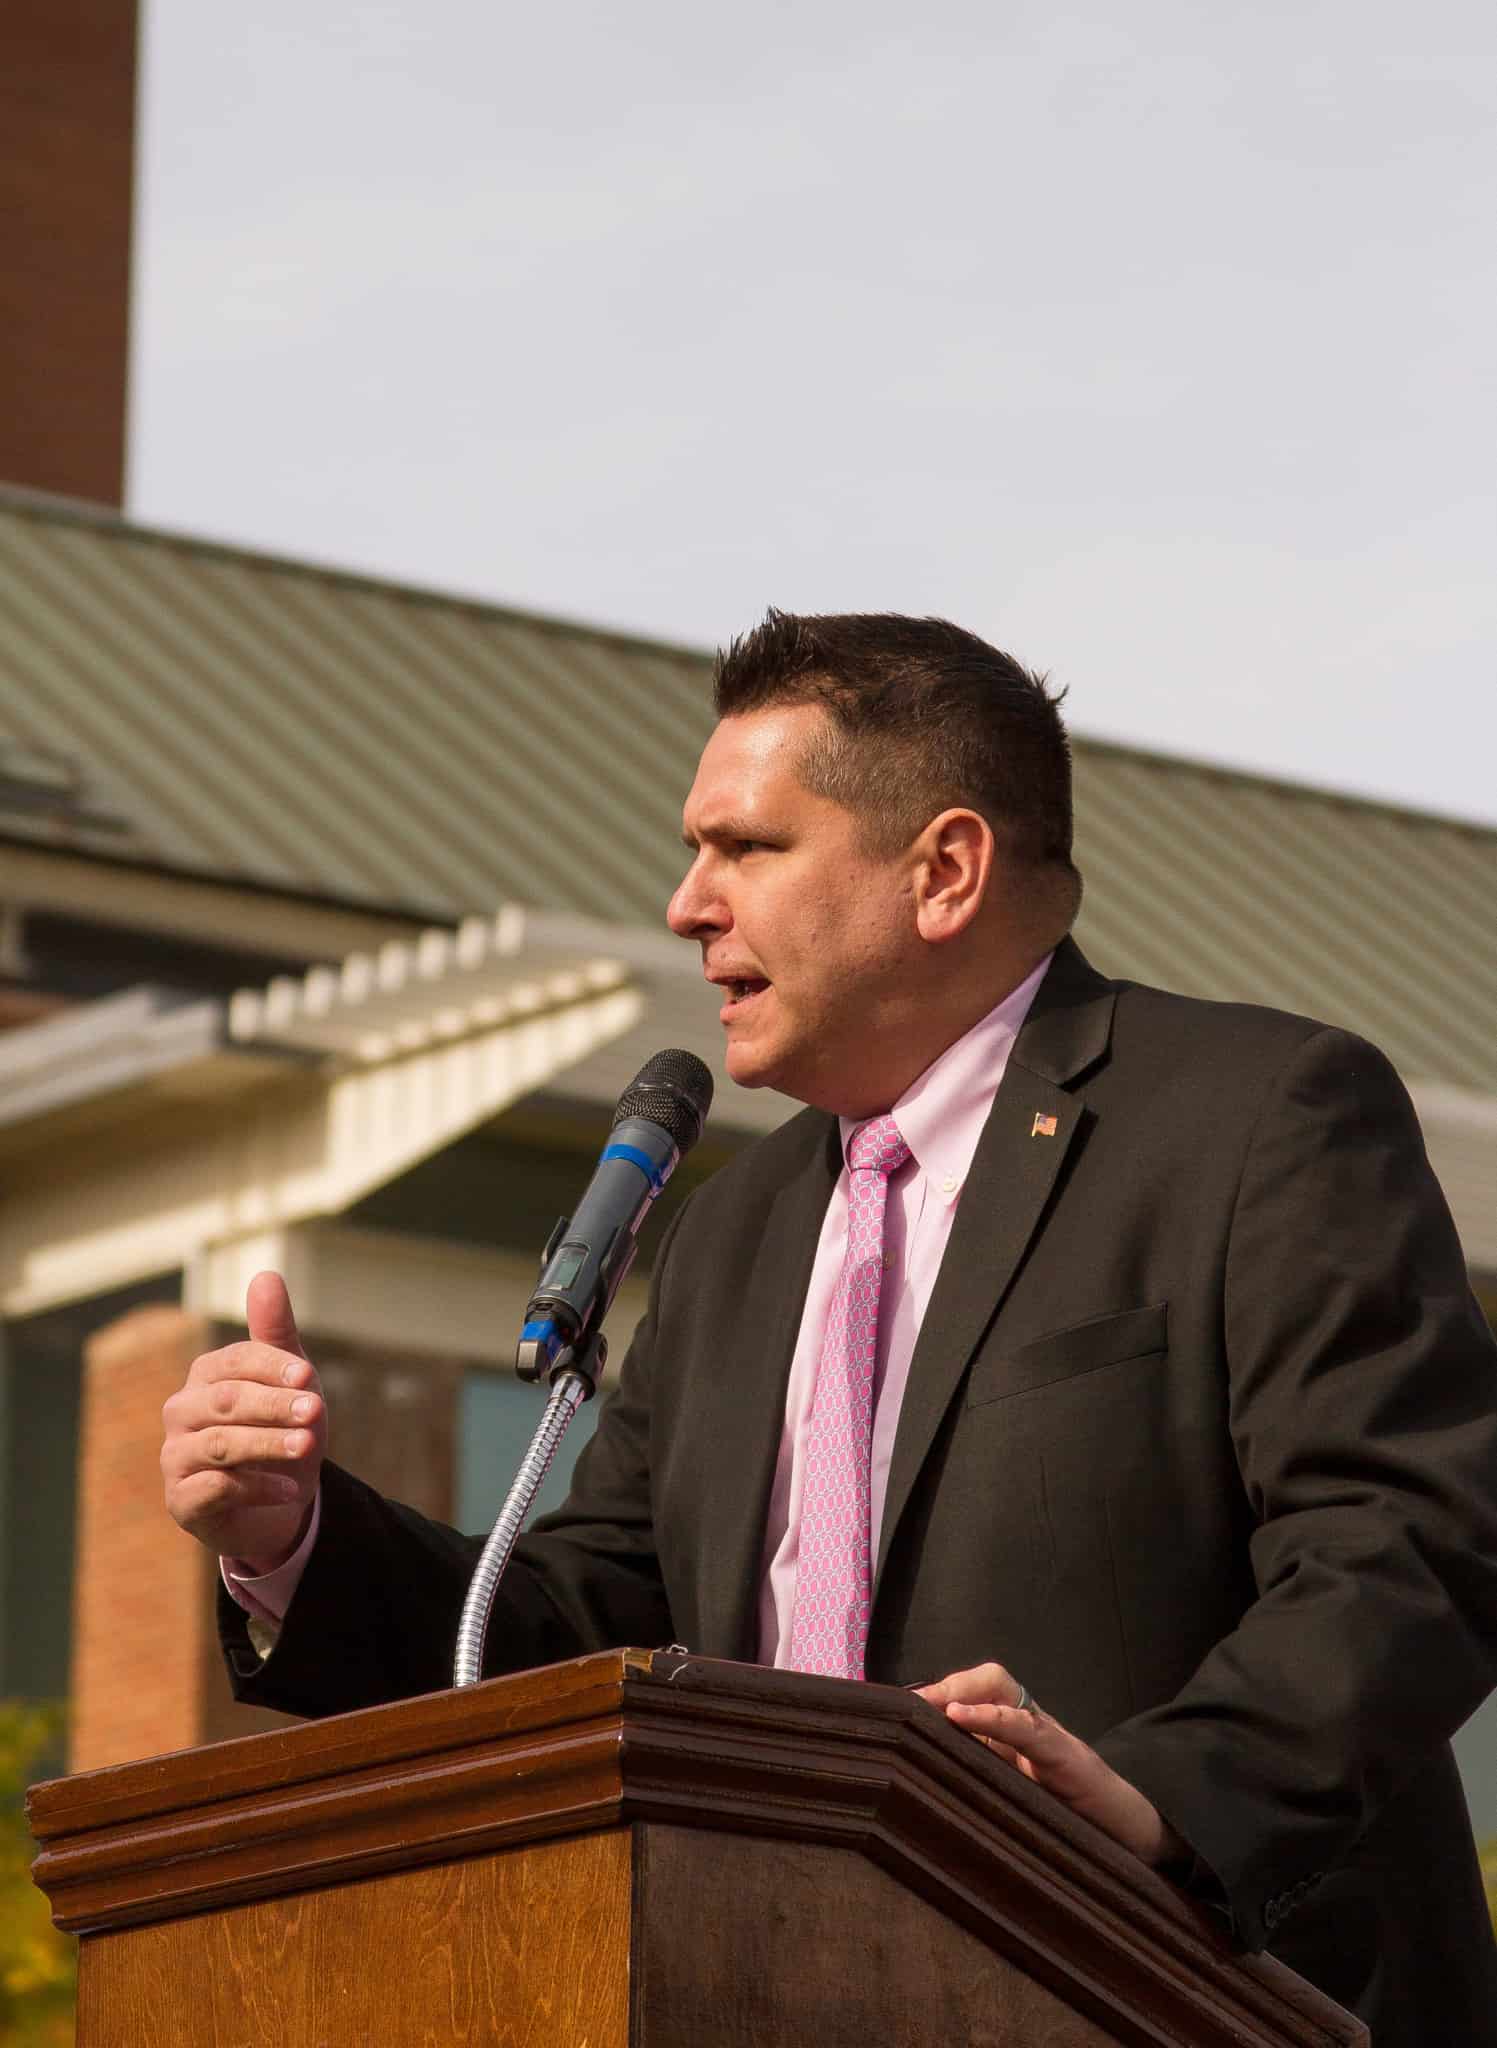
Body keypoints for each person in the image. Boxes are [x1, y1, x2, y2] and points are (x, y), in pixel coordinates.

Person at [163, 611, 1497, 2041]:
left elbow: (1409, 1534)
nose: (686, 904)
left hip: (1193, 1995)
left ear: (944, 871)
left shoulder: (1251, 1117)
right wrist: (295, 1538)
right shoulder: (731, 1233)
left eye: (745, 847)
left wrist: (1163, 1801)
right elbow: (584, 1634)